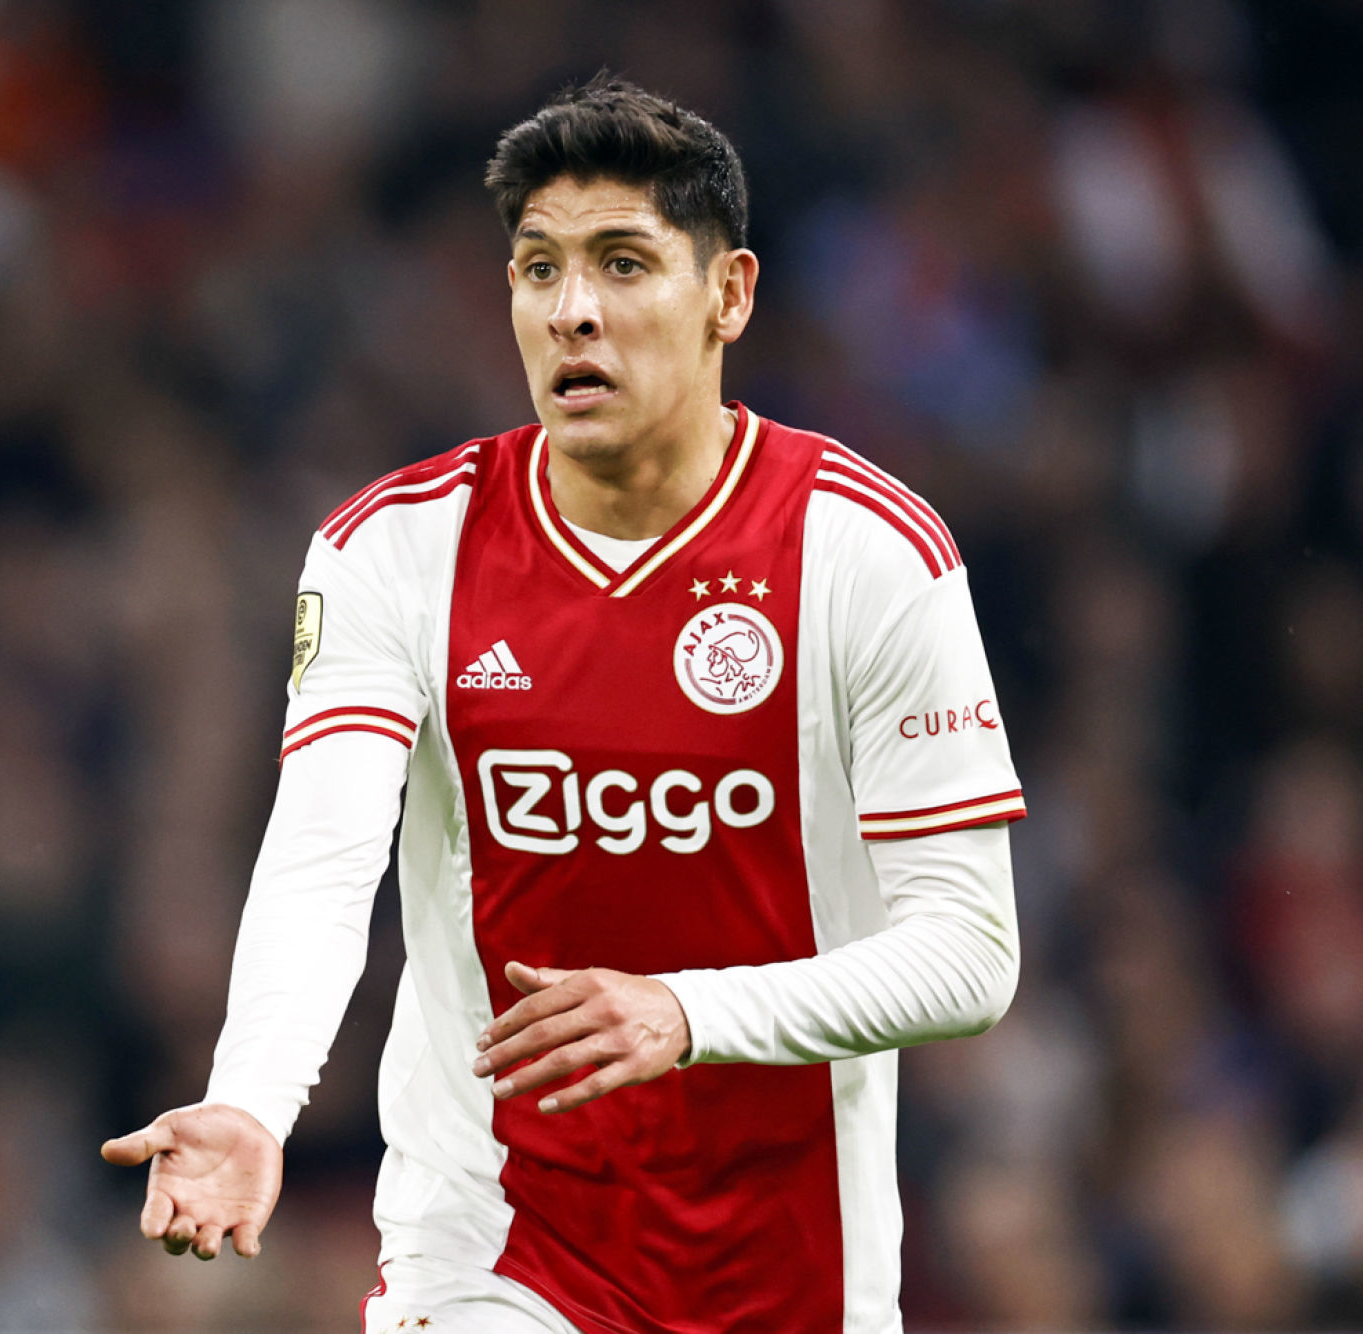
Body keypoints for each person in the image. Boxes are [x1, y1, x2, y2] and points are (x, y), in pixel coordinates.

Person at [103, 74, 1025, 1333]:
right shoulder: (396, 549)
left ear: (729, 295)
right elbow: (322, 857)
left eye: (622, 264)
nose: (571, 309)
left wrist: (689, 1010)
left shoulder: (863, 550)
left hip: (790, 1269)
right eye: (538, 269)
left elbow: (969, 952)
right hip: (494, 1245)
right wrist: (253, 1095)